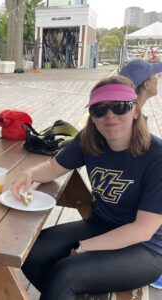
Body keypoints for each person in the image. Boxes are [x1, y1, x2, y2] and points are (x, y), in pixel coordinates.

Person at [11, 76, 162, 299]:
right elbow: (54, 168)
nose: (110, 115)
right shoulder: (89, 140)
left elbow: (143, 229)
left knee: (67, 273)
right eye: (99, 109)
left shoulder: (156, 156)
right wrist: (29, 174)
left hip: (147, 247)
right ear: (92, 116)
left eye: (120, 106)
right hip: (101, 224)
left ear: (136, 111)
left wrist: (85, 247)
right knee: (30, 252)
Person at [120, 60, 162, 290]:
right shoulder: (131, 122)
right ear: (146, 84)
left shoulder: (132, 116)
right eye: (155, 76)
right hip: (137, 227)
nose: (158, 79)